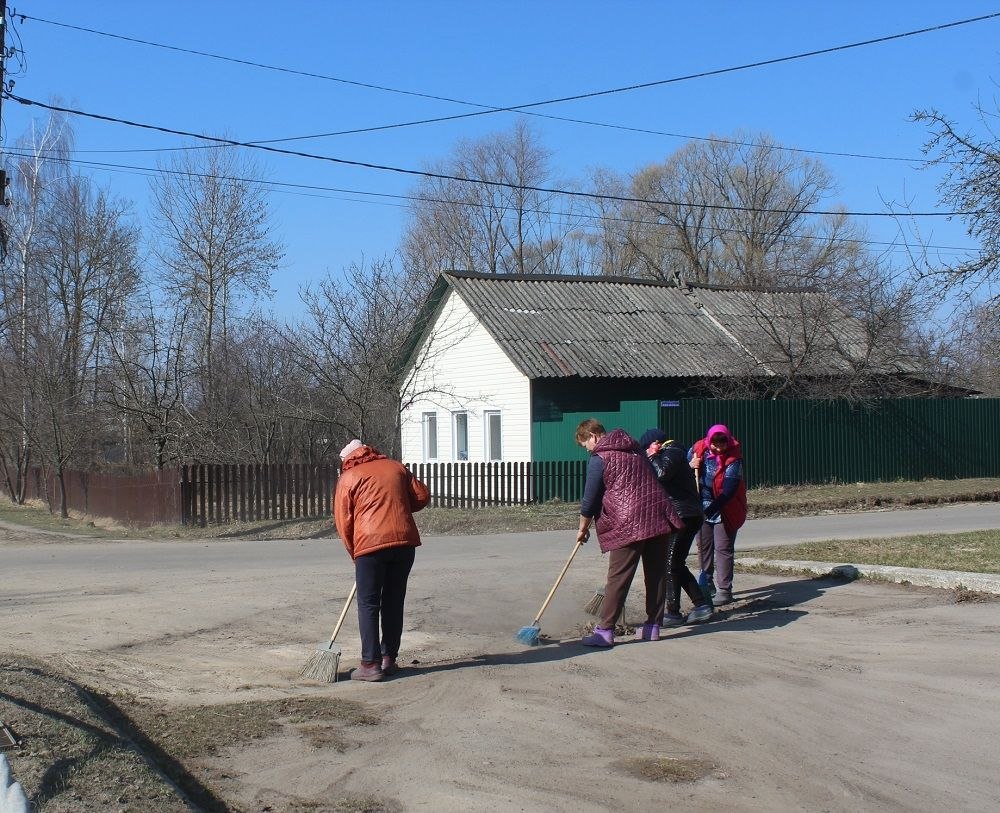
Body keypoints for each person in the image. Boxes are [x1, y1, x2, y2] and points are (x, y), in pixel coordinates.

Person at [576, 418, 681, 646]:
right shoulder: (636, 451)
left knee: (619, 575)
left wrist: (582, 528)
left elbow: (590, 498)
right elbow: (652, 477)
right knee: (656, 573)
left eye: (586, 445)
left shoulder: (600, 457)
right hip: (658, 514)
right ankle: (652, 627)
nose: (588, 450)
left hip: (629, 521)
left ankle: (605, 631)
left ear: (593, 436)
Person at [334, 438, 430, 681]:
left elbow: (344, 522)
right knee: (393, 601)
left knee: (368, 603)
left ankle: (370, 664)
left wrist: (355, 554)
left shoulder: (349, 477)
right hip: (404, 543)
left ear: (348, 459)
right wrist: (396, 502)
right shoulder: (395, 467)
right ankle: (388, 659)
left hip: (370, 546)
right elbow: (421, 496)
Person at [639, 428, 714, 626]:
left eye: (647, 447)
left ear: (655, 443)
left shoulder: (672, 452)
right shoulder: (670, 454)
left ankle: (675, 612)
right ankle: (700, 605)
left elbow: (662, 473)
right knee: (675, 563)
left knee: (671, 563)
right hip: (683, 514)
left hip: (684, 515)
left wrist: (652, 456)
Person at [689, 424, 747, 607]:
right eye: (715, 443)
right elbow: (681, 470)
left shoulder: (734, 459)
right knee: (704, 547)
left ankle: (724, 590)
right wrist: (690, 465)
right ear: (709, 440)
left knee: (723, 548)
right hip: (702, 503)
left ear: (728, 440)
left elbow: (728, 492)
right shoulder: (698, 449)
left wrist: (707, 511)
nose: (719, 447)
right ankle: (706, 585)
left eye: (723, 443)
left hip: (725, 507)